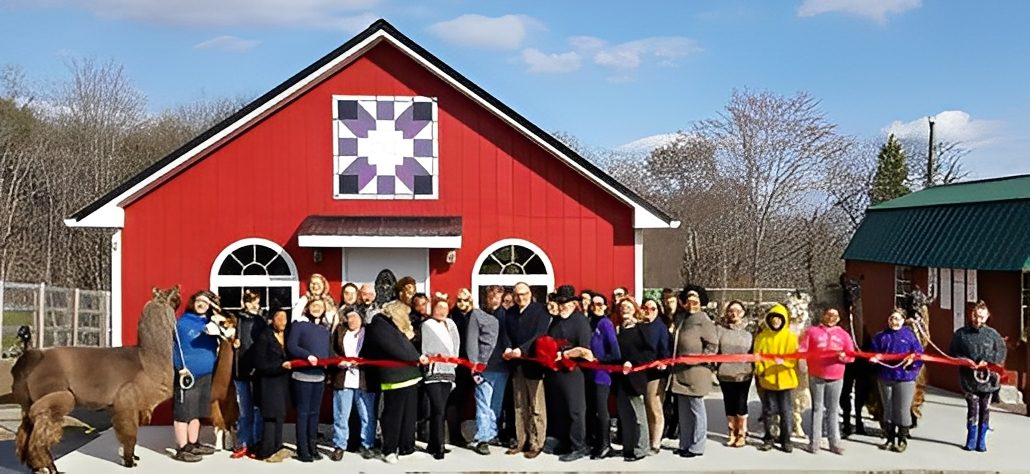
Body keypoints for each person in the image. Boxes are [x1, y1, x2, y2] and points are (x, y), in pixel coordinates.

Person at [361, 300, 425, 463]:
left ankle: (407, 447)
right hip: (393, 377)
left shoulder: (394, 326)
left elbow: (406, 345)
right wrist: (417, 358)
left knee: (409, 414)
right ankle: (389, 449)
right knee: (393, 414)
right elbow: (396, 348)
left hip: (409, 375)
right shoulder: (380, 324)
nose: (407, 317)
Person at [542, 284, 594, 462]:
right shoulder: (556, 321)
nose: (562, 306)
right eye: (560, 302)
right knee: (560, 408)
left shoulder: (580, 321)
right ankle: (564, 441)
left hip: (574, 370)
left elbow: (584, 350)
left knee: (575, 409)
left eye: (565, 302)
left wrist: (564, 354)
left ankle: (579, 445)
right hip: (556, 371)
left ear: (573, 303)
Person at [501, 282, 551, 459]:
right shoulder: (510, 313)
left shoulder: (541, 311)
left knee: (536, 405)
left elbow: (540, 334)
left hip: (533, 365)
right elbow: (505, 334)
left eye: (524, 294)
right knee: (519, 405)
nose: (520, 298)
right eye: (517, 295)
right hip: (516, 365)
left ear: (530, 293)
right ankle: (521, 441)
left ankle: (537, 442)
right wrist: (507, 348)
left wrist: (521, 350)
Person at [667, 285, 718, 458]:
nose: (691, 302)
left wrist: (699, 359)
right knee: (683, 411)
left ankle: (697, 446)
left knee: (696, 410)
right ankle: (685, 443)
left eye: (695, 298)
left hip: (696, 372)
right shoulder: (681, 318)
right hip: (679, 372)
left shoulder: (703, 320)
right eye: (688, 298)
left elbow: (712, 345)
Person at [171, 291, 220, 462]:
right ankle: (182, 448)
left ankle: (193, 443)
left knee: (197, 411)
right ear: (193, 302)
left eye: (206, 302)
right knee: (183, 412)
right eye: (199, 301)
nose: (202, 304)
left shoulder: (210, 322)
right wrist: (179, 368)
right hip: (188, 374)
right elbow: (174, 348)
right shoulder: (182, 324)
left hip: (206, 373)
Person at [949, 301, 1005, 453]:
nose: (977, 320)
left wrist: (988, 360)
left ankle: (982, 440)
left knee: (985, 409)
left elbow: (1001, 353)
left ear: (987, 317)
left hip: (988, 380)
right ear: (971, 315)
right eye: (975, 316)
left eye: (981, 317)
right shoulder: (961, 334)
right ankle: (971, 439)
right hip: (969, 380)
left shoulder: (993, 335)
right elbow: (952, 353)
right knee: (973, 408)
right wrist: (964, 360)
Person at [798, 307, 853, 455]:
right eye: (828, 314)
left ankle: (834, 442)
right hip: (816, 375)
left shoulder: (844, 335)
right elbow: (802, 349)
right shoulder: (812, 331)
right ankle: (814, 441)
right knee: (817, 408)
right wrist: (802, 362)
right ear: (823, 315)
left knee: (833, 409)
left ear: (839, 318)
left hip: (836, 376)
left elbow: (851, 355)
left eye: (835, 315)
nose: (831, 317)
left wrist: (844, 357)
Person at [869, 308, 924, 453]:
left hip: (904, 377)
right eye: (892, 318)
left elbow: (919, 354)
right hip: (885, 376)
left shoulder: (909, 336)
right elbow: (873, 352)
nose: (894, 322)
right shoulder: (881, 336)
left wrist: (912, 360)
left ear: (903, 320)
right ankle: (889, 437)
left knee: (902, 409)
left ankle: (902, 438)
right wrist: (874, 359)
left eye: (897, 319)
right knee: (888, 408)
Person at [286, 299, 331, 462]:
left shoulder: (325, 329)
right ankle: (302, 450)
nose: (317, 308)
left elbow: (328, 352)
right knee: (303, 413)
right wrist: (307, 356)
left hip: (319, 377)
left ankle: (313, 447)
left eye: (320, 306)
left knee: (314, 414)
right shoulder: (299, 325)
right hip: (302, 376)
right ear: (307, 308)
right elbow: (291, 346)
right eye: (314, 305)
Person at [466, 285, 509, 455]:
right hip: (485, 366)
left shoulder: (507, 314)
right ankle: (482, 438)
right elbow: (471, 340)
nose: (495, 300)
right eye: (492, 296)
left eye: (498, 296)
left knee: (496, 405)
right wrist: (473, 364)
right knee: (483, 403)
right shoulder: (478, 315)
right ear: (486, 298)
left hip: (503, 367)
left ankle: (492, 433)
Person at [329, 308, 376, 461]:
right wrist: (338, 361)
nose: (352, 321)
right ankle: (339, 445)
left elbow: (376, 350)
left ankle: (367, 444)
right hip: (343, 378)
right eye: (349, 318)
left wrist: (363, 359)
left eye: (355, 318)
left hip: (364, 379)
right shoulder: (340, 332)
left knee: (366, 414)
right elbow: (332, 350)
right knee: (341, 415)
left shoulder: (369, 333)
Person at [754, 303, 799, 453]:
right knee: (768, 410)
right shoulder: (762, 337)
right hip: (768, 380)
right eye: (773, 319)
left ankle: (786, 439)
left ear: (784, 320)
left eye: (778, 319)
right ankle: (769, 437)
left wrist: (784, 362)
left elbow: (794, 358)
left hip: (785, 379)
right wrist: (761, 370)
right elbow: (757, 357)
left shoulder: (791, 337)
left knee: (786, 411)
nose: (775, 322)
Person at [616, 300, 657, 461]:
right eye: (622, 307)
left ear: (634, 309)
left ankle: (642, 448)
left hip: (636, 378)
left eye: (628, 307)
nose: (625, 309)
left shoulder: (642, 329)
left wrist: (632, 362)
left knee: (639, 416)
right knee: (625, 415)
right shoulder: (618, 329)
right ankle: (628, 447)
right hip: (620, 378)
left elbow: (650, 353)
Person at [421, 293, 461, 459]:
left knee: (442, 408)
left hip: (449, 372)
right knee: (438, 409)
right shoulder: (427, 325)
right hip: (434, 371)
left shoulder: (451, 325)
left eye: (445, 308)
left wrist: (453, 361)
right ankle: (439, 446)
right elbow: (428, 347)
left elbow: (455, 345)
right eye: (439, 308)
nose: (443, 311)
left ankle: (433, 443)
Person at [230, 290, 267, 458]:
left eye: (256, 301)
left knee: (258, 409)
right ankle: (244, 443)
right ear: (244, 302)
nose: (253, 304)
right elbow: (227, 338)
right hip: (241, 370)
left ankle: (257, 442)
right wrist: (233, 341)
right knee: (244, 410)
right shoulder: (237, 320)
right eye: (250, 301)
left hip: (258, 370)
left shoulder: (262, 321)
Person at [252, 309, 292, 462]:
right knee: (270, 417)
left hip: (282, 382)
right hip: (268, 382)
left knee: (280, 415)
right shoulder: (264, 337)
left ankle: (277, 447)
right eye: (278, 317)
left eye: (284, 317)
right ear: (272, 320)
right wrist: (281, 366)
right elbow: (260, 363)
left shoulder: (287, 336)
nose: (282, 320)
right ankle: (266, 451)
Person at [586, 293, 620, 459]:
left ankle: (606, 444)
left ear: (606, 307)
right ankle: (596, 442)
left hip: (602, 374)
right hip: (589, 374)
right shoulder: (589, 322)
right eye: (593, 304)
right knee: (592, 410)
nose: (596, 307)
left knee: (601, 411)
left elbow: (615, 353)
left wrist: (600, 359)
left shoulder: (606, 324)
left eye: (600, 304)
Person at [716, 300, 753, 449]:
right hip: (725, 373)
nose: (734, 314)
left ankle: (742, 433)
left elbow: (754, 351)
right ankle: (731, 432)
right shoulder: (720, 330)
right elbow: (715, 349)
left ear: (743, 313)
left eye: (738, 311)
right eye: (731, 311)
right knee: (729, 403)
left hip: (744, 373)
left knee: (741, 404)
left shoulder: (750, 331)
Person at [446, 288, 477, 449]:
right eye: (459, 300)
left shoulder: (475, 316)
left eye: (465, 300)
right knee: (454, 400)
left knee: (466, 399)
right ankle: (454, 434)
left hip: (470, 364)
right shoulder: (452, 317)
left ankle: (460, 433)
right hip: (456, 363)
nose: (462, 303)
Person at [640, 298, 670, 454]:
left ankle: (656, 442)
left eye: (652, 308)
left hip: (655, 373)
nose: (648, 311)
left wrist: (663, 362)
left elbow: (665, 349)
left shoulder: (660, 327)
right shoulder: (639, 326)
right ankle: (646, 439)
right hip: (640, 373)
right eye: (646, 307)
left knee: (654, 407)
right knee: (644, 408)